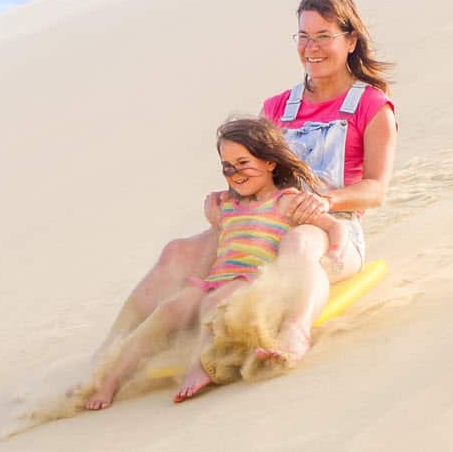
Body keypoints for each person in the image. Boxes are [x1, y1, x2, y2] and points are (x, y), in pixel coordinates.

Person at [93, 0, 396, 376]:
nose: (311, 48)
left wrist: (326, 201)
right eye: (303, 36)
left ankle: (294, 333)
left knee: (298, 240)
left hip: (331, 229)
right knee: (177, 253)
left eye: (324, 36)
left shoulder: (371, 106)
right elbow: (253, 171)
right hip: (261, 221)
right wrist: (227, 197)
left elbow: (376, 189)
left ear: (350, 40)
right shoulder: (276, 107)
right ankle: (108, 353)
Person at [85, 118, 345, 410]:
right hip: (216, 279)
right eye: (227, 166)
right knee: (169, 309)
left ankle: (202, 367)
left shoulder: (287, 201)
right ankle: (110, 380)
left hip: (251, 281)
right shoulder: (227, 205)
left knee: (214, 304)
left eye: (243, 162)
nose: (235, 173)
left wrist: (334, 250)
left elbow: (333, 226)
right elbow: (219, 241)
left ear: (270, 162)